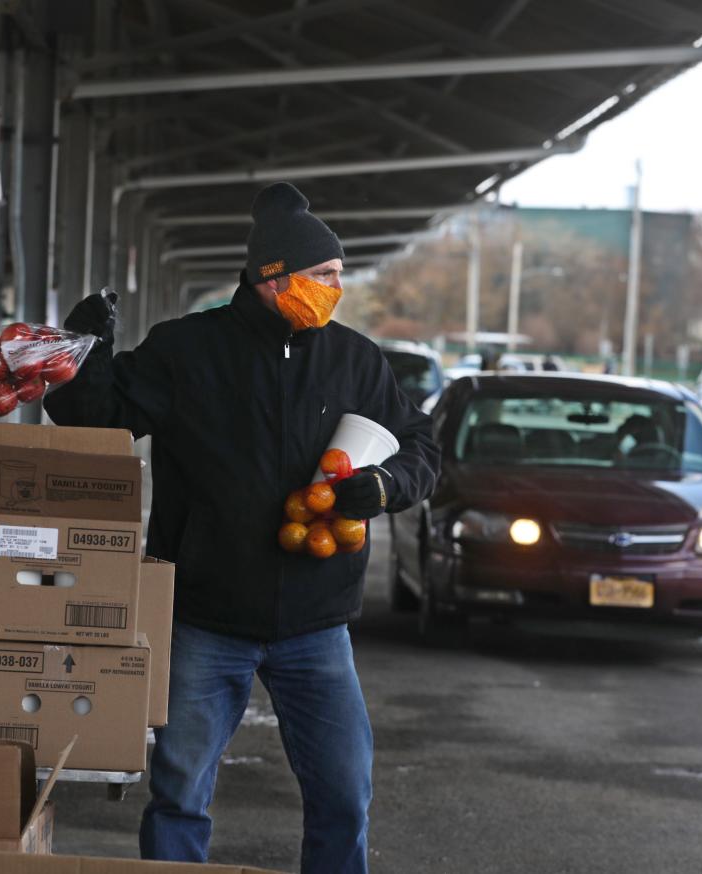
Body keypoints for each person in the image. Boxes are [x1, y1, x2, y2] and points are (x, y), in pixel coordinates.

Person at [44, 182, 439, 874]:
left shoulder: (354, 359)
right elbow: (93, 421)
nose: (336, 288)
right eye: (325, 275)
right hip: (206, 619)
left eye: (339, 275)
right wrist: (84, 350)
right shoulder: (185, 352)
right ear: (272, 277)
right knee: (179, 794)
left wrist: (385, 485)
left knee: (345, 795)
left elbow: (420, 447)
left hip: (318, 625)